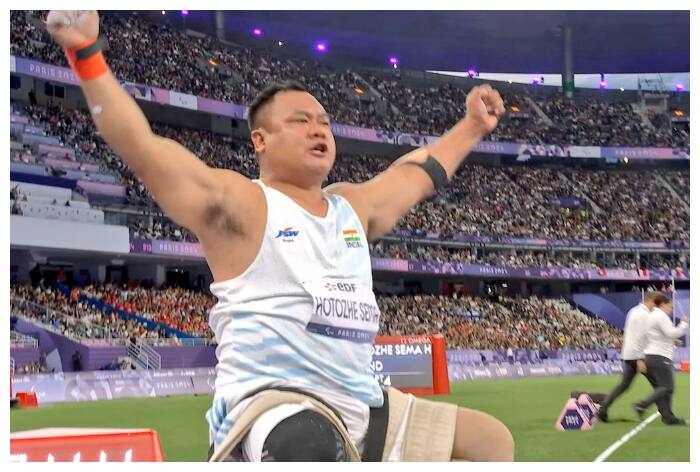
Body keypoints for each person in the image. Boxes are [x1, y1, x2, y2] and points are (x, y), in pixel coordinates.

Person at [46, 10, 513, 462]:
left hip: (362, 401)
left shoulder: (351, 207)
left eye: (324, 121)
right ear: (260, 140)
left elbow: (415, 175)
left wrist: (473, 126)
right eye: (300, 121)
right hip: (274, 402)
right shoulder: (245, 205)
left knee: (489, 440)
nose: (318, 130)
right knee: (308, 445)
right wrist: (86, 54)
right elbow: (143, 148)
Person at [597, 291, 658, 422]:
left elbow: (632, 334)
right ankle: (650, 409)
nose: (656, 307)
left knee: (623, 385)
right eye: (656, 304)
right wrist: (640, 358)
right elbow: (640, 337)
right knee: (661, 386)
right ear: (651, 301)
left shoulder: (633, 311)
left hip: (629, 354)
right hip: (639, 356)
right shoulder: (644, 314)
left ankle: (603, 408)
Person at [633, 294, 688, 425]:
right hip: (660, 356)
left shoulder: (652, 316)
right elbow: (671, 332)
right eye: (670, 306)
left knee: (662, 388)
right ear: (663, 304)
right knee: (667, 387)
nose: (671, 309)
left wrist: (671, 341)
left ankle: (668, 417)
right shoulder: (660, 316)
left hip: (651, 355)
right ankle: (642, 405)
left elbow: (657, 336)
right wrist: (684, 324)